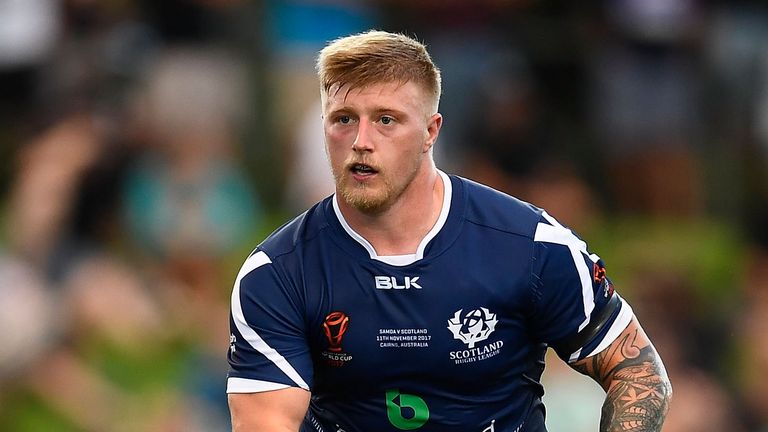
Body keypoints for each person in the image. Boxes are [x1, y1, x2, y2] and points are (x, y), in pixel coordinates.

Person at [226, 30, 672, 432]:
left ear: (430, 131)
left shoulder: (531, 246)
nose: (361, 140)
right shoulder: (277, 274)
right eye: (343, 119)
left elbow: (638, 372)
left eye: (386, 119)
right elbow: (268, 422)